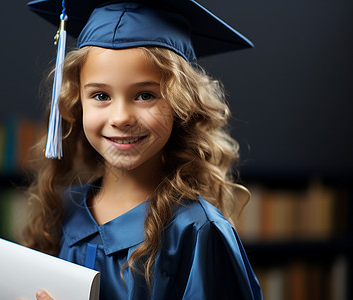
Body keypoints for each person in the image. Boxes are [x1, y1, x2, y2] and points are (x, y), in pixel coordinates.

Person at [23, 0, 262, 299]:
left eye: (145, 95)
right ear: (76, 103)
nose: (121, 117)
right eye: (100, 95)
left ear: (181, 104)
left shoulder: (197, 231)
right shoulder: (65, 212)